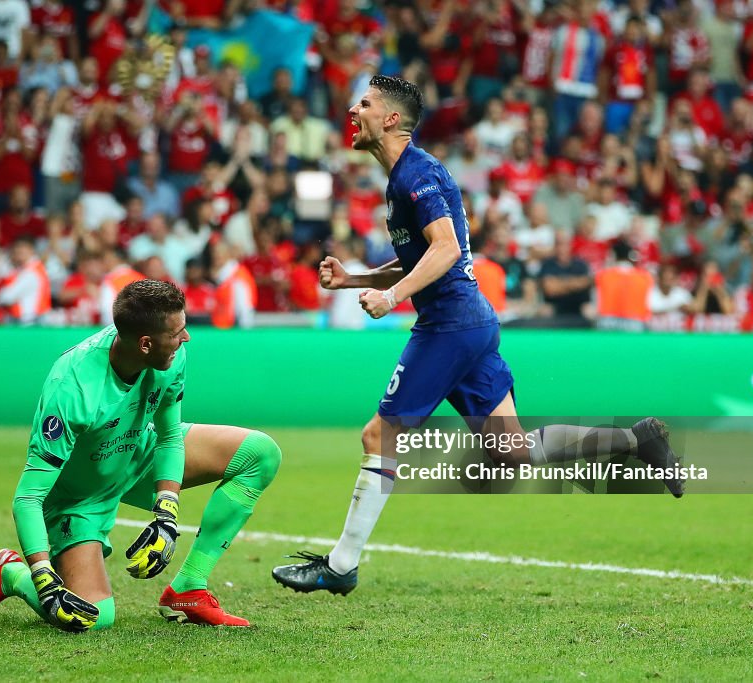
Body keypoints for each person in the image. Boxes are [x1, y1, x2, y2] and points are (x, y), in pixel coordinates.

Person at [272, 75, 682, 596]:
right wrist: (356, 279)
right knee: (511, 452)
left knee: (380, 435)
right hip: (471, 323)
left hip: (450, 325)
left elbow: (442, 251)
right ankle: (636, 440)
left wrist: (391, 298)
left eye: (366, 103)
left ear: (391, 119)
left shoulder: (413, 175)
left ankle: (341, 565)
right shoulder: (410, 174)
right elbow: (427, 255)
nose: (354, 109)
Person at [0, 280, 281, 629]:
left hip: (138, 454)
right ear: (145, 344)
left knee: (259, 453)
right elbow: (28, 497)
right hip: (78, 499)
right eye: (178, 332)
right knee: (96, 619)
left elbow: (170, 437)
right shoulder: (73, 388)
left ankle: (188, 588)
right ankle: (9, 573)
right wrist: (42, 576)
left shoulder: (169, 354)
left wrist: (166, 514)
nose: (186, 338)